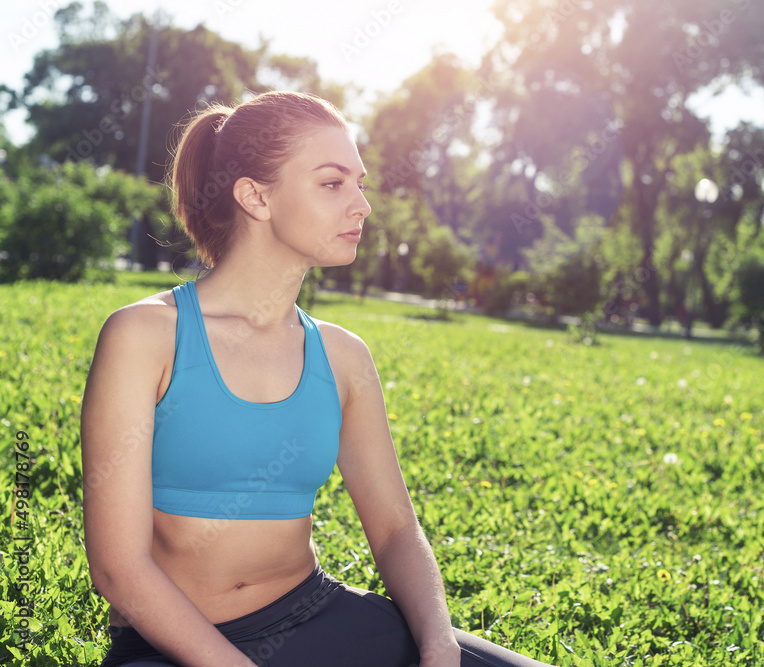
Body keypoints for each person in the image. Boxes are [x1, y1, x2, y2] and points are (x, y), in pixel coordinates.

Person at [80, 90, 551, 667]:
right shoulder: (143, 337)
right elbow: (117, 567)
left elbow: (396, 530)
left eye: (360, 184)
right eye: (333, 184)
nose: (361, 206)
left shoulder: (343, 356)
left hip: (319, 619)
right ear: (255, 196)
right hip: (171, 650)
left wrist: (437, 643)